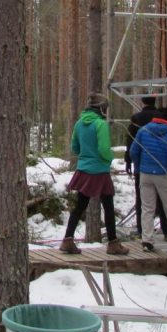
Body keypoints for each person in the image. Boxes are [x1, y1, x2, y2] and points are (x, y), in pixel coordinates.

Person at [60, 93, 129, 256]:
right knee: (108, 206)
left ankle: (68, 239)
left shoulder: (79, 123)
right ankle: (113, 243)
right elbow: (104, 149)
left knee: (80, 206)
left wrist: (86, 154)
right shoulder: (100, 124)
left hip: (84, 169)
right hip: (99, 170)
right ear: (101, 109)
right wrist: (110, 158)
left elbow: (75, 148)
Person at [130, 105, 167, 251]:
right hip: (163, 173)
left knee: (147, 208)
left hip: (145, 173)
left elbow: (134, 151)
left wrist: (139, 166)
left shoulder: (144, 130)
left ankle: (147, 240)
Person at [124, 95, 167, 240]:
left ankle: (142, 230)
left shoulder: (137, 118)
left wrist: (129, 160)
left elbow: (130, 139)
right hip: (162, 164)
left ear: (143, 102)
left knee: (142, 200)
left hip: (142, 164)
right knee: (164, 200)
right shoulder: (163, 118)